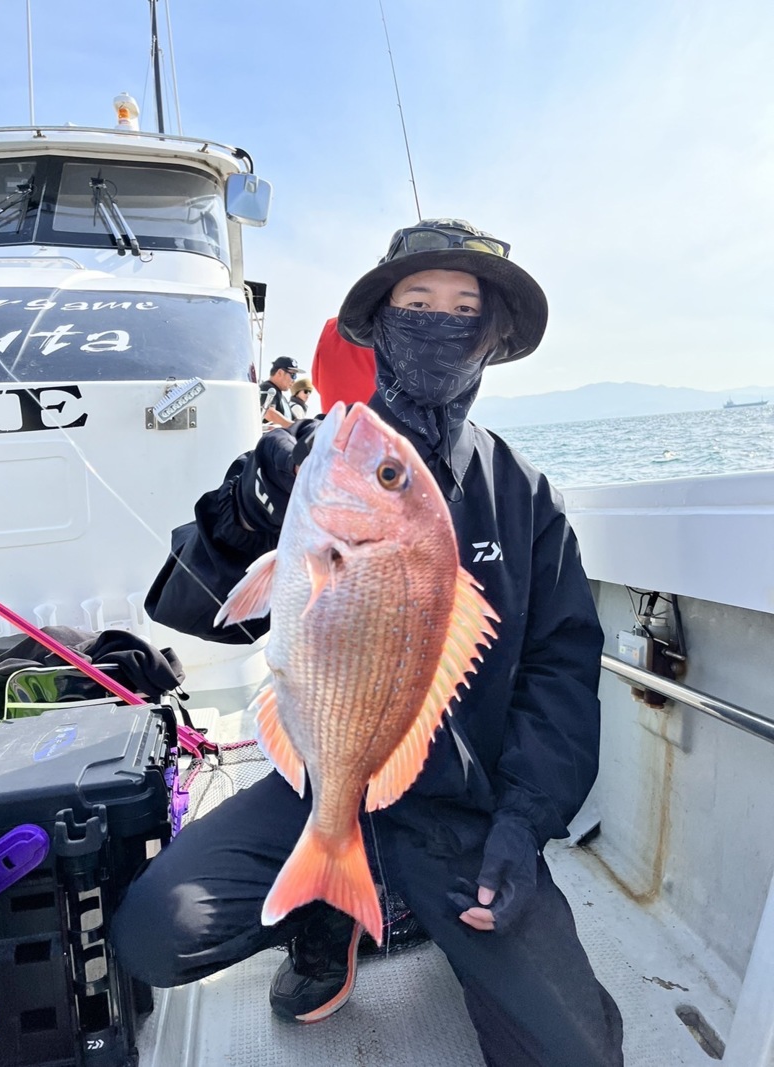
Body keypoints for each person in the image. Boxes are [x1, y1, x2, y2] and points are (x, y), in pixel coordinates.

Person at [111, 219, 624, 1067]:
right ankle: (332, 902)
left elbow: (558, 671)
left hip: (458, 809)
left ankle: (396, 896)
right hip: (321, 766)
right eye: (417, 302)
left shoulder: (526, 496)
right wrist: (243, 513)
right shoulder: (320, 458)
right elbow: (185, 602)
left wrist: (525, 823)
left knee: (576, 1052)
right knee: (158, 933)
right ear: (380, 322)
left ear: (492, 338)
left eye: (465, 308)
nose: (440, 320)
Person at [311, 315, 375, 412]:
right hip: (376, 419)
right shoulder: (389, 320)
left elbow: (316, 377)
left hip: (334, 419)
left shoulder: (330, 326)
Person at [260, 356, 303, 428]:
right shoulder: (267, 388)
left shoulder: (282, 398)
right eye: (293, 375)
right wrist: (296, 428)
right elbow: (269, 413)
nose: (294, 380)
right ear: (280, 372)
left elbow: (295, 420)